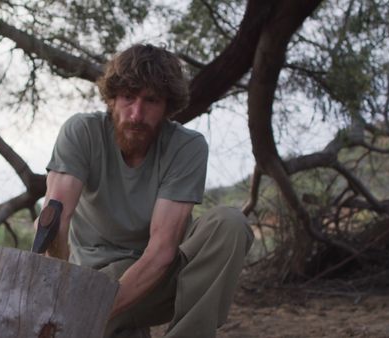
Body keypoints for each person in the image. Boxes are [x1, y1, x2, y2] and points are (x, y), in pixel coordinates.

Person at [38, 43, 254, 338]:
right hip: (92, 280)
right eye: (128, 97)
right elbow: (54, 220)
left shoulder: (186, 147)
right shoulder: (82, 132)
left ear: (167, 106)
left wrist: (96, 310)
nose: (137, 114)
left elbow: (162, 251)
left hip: (155, 280)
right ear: (112, 99)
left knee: (230, 223)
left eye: (151, 100)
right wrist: (55, 300)